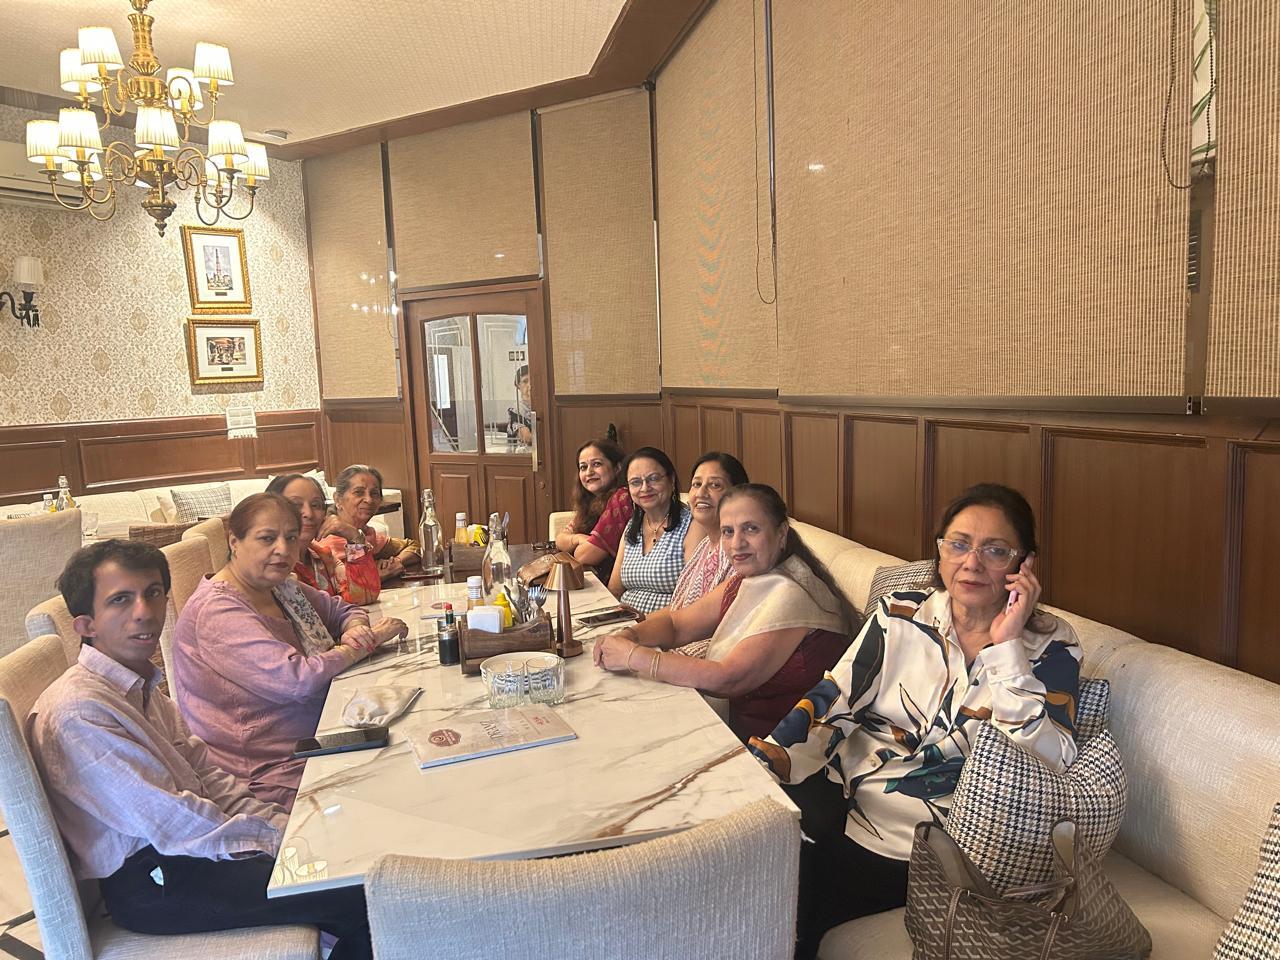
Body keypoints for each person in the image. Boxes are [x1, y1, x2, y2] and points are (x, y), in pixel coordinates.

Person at [747, 483, 1082, 960]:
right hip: (846, 795)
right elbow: (834, 698)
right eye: (959, 544)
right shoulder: (900, 613)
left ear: (1024, 564)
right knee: (752, 855)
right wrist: (768, 761)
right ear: (939, 551)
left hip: (933, 842)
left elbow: (1049, 760)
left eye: (995, 550)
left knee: (794, 902)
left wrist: (1008, 648)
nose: (972, 563)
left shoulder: (1051, 646)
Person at [27, 540, 373, 958]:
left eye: (153, 592)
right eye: (121, 600)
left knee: (353, 867)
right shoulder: (80, 712)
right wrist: (281, 841)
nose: (144, 611)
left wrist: (286, 828)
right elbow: (173, 821)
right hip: (158, 882)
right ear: (86, 625)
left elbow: (208, 777)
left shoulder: (141, 687)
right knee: (363, 891)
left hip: (191, 854)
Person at [173, 493, 407, 810]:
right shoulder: (217, 611)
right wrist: (362, 645)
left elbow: (342, 610)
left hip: (317, 737)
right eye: (267, 538)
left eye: (291, 537)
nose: (283, 549)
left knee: (414, 756)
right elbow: (295, 680)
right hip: (268, 775)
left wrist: (355, 629)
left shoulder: (279, 586)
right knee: (401, 795)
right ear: (234, 542)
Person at [595, 484, 855, 742]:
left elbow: (728, 679)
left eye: (751, 529)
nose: (737, 543)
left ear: (781, 533)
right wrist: (629, 635)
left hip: (783, 749)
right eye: (728, 532)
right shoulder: (746, 579)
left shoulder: (792, 593)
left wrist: (633, 656)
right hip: (740, 731)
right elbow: (677, 624)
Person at [606, 447, 697, 614]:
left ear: (671, 480)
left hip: (668, 624)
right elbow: (615, 590)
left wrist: (645, 621)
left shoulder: (692, 524)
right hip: (627, 622)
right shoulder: (632, 526)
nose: (645, 488)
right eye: (635, 482)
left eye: (653, 479)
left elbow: (694, 597)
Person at [266, 473, 381, 603]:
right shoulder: (270, 564)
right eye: (296, 505)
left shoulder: (322, 558)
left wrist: (354, 537)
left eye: (316, 505)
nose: (308, 514)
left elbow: (364, 596)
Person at [669, 452, 749, 615]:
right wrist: (641, 619)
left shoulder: (741, 551)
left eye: (715, 485)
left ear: (738, 493)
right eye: (696, 484)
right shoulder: (705, 546)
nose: (701, 493)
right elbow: (679, 610)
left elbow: (690, 620)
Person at [318, 464, 420, 583]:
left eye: (374, 493)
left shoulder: (367, 534)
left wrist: (396, 561)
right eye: (359, 492)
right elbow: (350, 584)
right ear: (337, 499)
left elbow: (415, 547)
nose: (369, 499)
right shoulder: (327, 540)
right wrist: (380, 574)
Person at [554, 438, 628, 580]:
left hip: (616, 585)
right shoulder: (590, 502)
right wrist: (578, 538)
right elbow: (560, 539)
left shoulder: (622, 498)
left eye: (597, 464)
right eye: (583, 467)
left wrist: (576, 544)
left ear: (617, 468)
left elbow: (585, 556)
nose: (589, 472)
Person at [506, 364, 533, 446]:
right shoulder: (515, 410)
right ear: (518, 385)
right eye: (525, 381)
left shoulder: (543, 406)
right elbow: (527, 438)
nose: (530, 385)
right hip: (522, 452)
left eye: (533, 380)